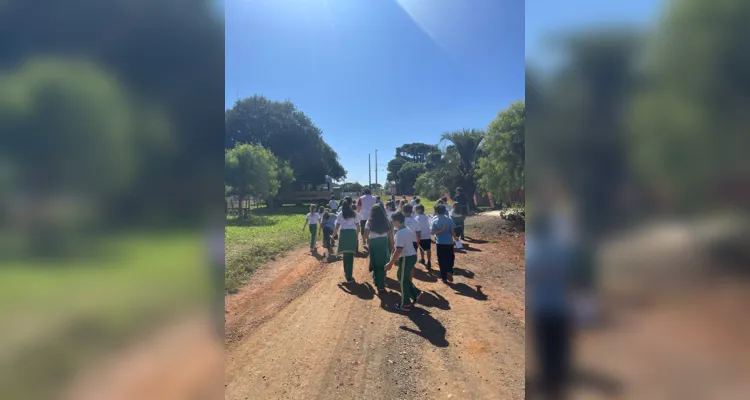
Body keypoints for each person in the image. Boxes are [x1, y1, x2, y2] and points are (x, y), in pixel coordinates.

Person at [527, 211, 573, 399]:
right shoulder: (561, 248)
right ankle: (559, 385)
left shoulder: (532, 250)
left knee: (544, 349)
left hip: (540, 306)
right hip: (561, 305)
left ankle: (547, 385)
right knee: (560, 349)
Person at [385, 211, 422, 312]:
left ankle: (405, 304)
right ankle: (415, 292)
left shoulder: (401, 233)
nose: (392, 223)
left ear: (397, 221)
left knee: (402, 280)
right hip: (410, 256)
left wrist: (390, 263)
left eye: (393, 221)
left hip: (406, 257)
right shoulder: (406, 229)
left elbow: (398, 250)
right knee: (401, 277)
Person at [364, 204, 393, 294]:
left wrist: (367, 242)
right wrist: (392, 244)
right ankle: (381, 286)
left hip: (373, 243)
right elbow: (390, 234)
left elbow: (365, 235)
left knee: (375, 262)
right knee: (382, 263)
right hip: (383, 242)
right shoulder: (386, 220)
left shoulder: (369, 221)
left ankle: (376, 280)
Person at [333, 202, 361, 283]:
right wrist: (357, 235)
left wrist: (333, 235)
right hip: (352, 233)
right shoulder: (354, 213)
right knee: (351, 255)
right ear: (350, 205)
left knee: (345, 255)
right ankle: (349, 275)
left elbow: (337, 226)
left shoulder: (340, 214)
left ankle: (346, 273)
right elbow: (358, 225)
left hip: (344, 234)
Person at [431, 203, 457, 284]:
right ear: (444, 210)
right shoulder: (449, 220)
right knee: (450, 257)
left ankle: (444, 277)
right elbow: (453, 232)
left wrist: (440, 231)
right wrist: (456, 239)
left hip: (440, 243)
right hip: (449, 242)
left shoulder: (434, 220)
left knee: (441, 260)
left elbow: (432, 232)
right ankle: (449, 271)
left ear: (436, 211)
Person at [415, 204, 433, 269]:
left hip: (420, 236)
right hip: (427, 236)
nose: (415, 210)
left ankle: (423, 259)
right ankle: (429, 261)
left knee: (421, 248)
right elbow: (430, 226)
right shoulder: (427, 217)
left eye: (416, 209)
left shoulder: (417, 218)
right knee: (428, 249)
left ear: (419, 210)